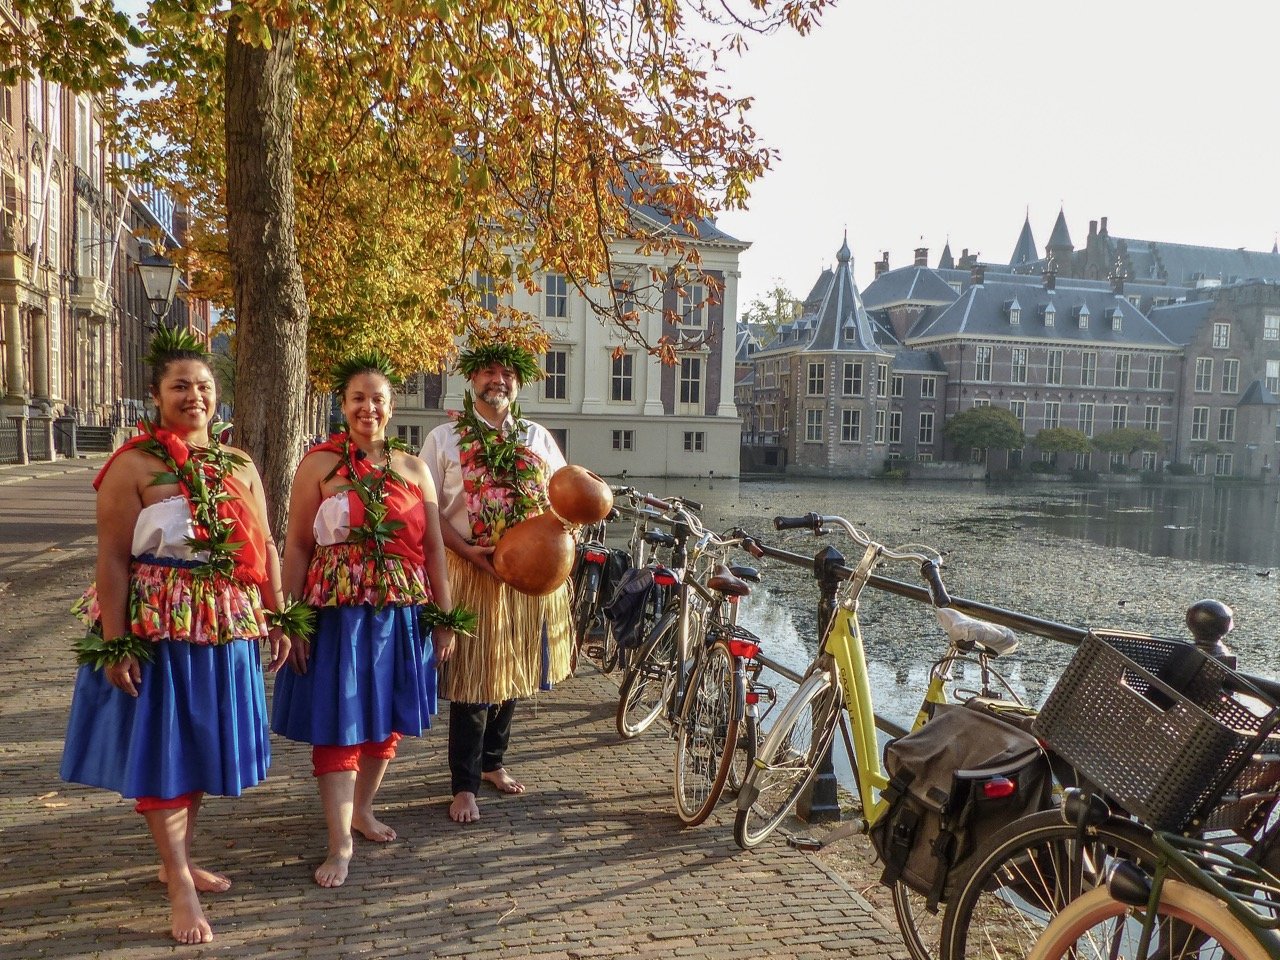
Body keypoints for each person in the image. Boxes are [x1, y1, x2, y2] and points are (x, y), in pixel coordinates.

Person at [60, 328, 292, 945]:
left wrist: (279, 614)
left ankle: (178, 860)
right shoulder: (133, 464)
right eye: (181, 385)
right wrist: (116, 642)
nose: (195, 395)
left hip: (225, 620)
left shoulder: (239, 464)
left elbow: (265, 545)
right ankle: (180, 884)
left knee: (201, 742)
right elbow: (111, 558)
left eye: (205, 386)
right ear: (157, 395)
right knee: (163, 744)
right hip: (158, 619)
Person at [272, 352, 461, 887]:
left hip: (400, 614)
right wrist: (291, 617)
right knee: (338, 722)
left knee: (386, 718)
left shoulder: (414, 469)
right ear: (343, 405)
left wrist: (445, 617)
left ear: (391, 406)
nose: (367, 408)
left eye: (377, 399)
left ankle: (362, 809)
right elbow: (297, 545)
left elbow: (434, 552)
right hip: (336, 613)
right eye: (358, 398)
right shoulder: (318, 464)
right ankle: (340, 843)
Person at [419, 341, 573, 824]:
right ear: (472, 379)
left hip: (525, 573)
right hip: (469, 568)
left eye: (507, 373)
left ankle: (492, 764)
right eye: (488, 371)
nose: (497, 380)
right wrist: (466, 550)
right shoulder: (444, 438)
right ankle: (462, 784)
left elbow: (562, 498)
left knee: (511, 669)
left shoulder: (536, 437)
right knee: (474, 678)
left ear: (518, 382)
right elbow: (425, 513)